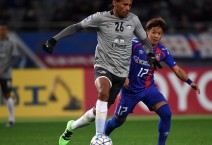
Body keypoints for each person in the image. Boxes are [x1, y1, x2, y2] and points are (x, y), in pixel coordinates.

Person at [42, 0, 161, 145]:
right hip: (103, 65)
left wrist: (150, 54)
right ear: (115, 3)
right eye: (124, 4)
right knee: (103, 93)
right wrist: (54, 39)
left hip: (122, 72)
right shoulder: (100, 18)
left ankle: (71, 127)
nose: (128, 8)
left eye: (130, 5)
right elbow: (77, 27)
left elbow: (144, 40)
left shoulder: (133, 20)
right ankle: (99, 136)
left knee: (96, 112)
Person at [104, 17, 200, 145]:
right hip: (129, 91)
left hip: (148, 89)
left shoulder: (162, 51)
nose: (156, 36)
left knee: (166, 113)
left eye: (159, 33)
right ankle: (101, 136)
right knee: (118, 121)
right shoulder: (134, 43)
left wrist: (190, 82)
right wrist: (122, 75)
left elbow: (176, 69)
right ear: (146, 32)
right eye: (153, 32)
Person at [0, 21, 19, 127]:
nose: (2, 32)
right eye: (0, 29)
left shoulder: (11, 43)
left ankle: (11, 118)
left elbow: (15, 57)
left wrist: (5, 68)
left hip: (6, 74)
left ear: (6, 31)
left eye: (4, 29)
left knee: (7, 95)